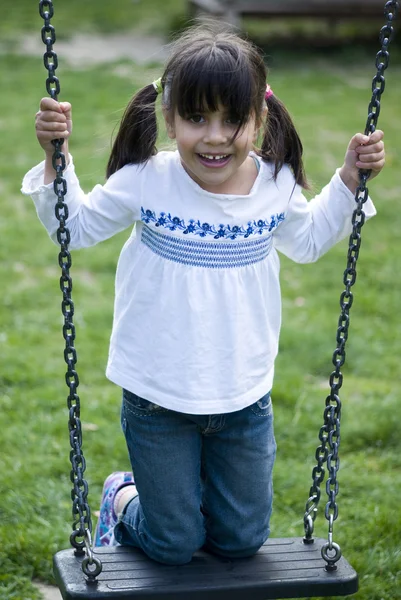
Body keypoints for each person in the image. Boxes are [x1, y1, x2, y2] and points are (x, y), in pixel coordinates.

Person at [22, 22, 385, 566]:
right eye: (196, 118)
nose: (215, 137)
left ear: (258, 120)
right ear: (169, 119)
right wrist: (57, 157)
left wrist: (350, 181)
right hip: (157, 395)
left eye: (233, 120)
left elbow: (309, 241)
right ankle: (122, 497)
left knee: (240, 540)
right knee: (174, 544)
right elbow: (74, 227)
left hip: (243, 395)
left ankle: (181, 507)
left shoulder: (274, 183)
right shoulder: (147, 179)